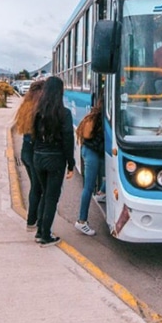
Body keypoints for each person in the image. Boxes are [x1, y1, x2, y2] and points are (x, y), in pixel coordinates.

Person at [32, 76, 75, 247]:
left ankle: (39, 231)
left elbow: (34, 136)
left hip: (38, 157)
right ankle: (45, 235)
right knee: (51, 197)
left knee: (44, 194)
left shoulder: (37, 111)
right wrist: (71, 164)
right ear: (60, 92)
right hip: (55, 159)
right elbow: (68, 140)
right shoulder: (64, 113)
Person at [13, 79, 45, 230]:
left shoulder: (26, 106)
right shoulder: (39, 109)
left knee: (35, 186)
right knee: (37, 188)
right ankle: (32, 220)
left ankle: (33, 219)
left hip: (26, 151)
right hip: (34, 151)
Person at [75, 96, 105, 236]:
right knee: (88, 187)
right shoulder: (101, 117)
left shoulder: (97, 114)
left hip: (93, 151)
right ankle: (81, 221)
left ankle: (101, 193)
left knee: (112, 173)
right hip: (92, 153)